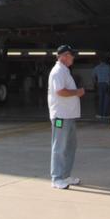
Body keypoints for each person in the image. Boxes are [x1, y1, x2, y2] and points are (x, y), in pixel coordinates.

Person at [47, 44, 85, 189]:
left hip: (68, 116)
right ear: (63, 56)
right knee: (59, 146)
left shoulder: (65, 71)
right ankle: (56, 178)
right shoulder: (58, 71)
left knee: (70, 146)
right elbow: (60, 92)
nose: (73, 57)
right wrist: (77, 92)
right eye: (70, 55)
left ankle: (65, 175)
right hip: (60, 117)